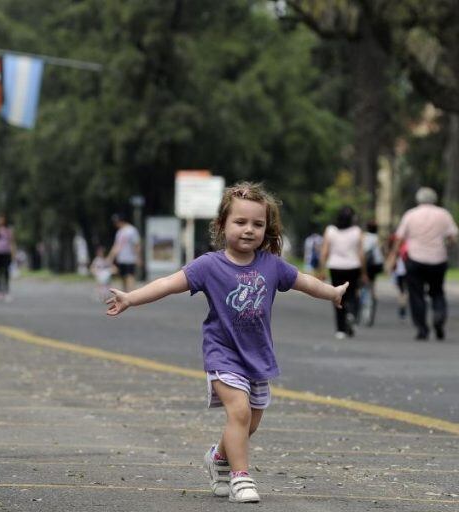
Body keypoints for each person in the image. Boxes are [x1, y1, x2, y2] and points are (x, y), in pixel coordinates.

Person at [106, 182, 346, 503]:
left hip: (258, 356)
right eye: (240, 222)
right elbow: (167, 283)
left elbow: (304, 282)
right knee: (239, 411)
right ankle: (241, 476)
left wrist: (332, 293)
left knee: (250, 421)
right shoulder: (209, 265)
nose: (249, 230)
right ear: (222, 225)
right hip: (222, 354)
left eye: (257, 224)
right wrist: (131, 298)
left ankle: (219, 458)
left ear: (267, 229)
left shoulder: (272, 265)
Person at [387, 187, 458, 340]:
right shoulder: (443, 214)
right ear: (434, 199)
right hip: (438, 259)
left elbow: (399, 238)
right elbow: (453, 236)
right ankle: (439, 316)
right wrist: (448, 245)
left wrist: (393, 256)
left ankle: (422, 329)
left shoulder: (410, 215)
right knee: (437, 291)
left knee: (416, 294)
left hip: (415, 259)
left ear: (418, 199)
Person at [319, 206, 366, 339]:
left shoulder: (330, 230)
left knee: (337, 296)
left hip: (335, 267)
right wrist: (364, 272)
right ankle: (351, 313)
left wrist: (321, 269)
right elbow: (361, 254)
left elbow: (324, 251)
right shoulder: (357, 231)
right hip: (353, 267)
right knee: (352, 293)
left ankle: (340, 329)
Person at [107, 213, 141, 292]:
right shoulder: (119, 232)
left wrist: (138, 257)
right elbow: (116, 245)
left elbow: (136, 245)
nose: (115, 224)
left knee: (130, 276)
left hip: (130, 258)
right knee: (123, 277)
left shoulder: (132, 230)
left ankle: (132, 294)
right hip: (121, 258)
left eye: (116, 222)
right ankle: (125, 294)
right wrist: (110, 257)